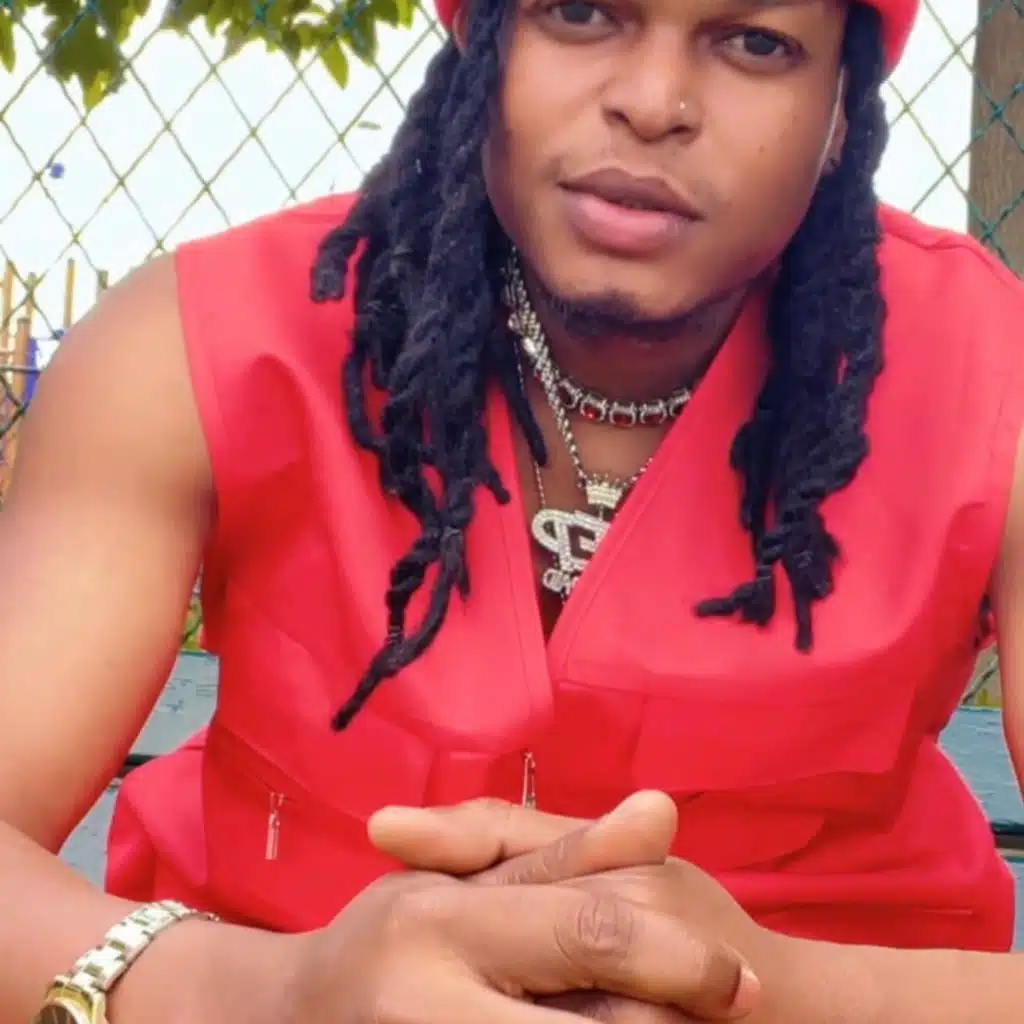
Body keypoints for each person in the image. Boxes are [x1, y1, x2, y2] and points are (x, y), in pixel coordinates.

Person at [1, 0, 1023, 1018]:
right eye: (579, 12)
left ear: (842, 100)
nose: (652, 101)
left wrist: (767, 991)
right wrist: (285, 993)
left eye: (757, 43)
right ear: (476, 36)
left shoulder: (989, 380)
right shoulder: (198, 345)